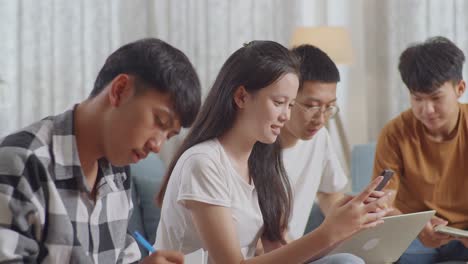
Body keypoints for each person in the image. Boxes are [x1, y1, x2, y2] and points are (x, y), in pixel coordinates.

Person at [155, 40, 392, 264]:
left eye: (290, 105)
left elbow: (279, 251)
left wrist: (349, 226)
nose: (286, 116)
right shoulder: (204, 162)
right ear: (241, 97)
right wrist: (328, 233)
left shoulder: (261, 162)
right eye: (279, 103)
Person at [0, 38, 201, 264]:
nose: (157, 145)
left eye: (169, 136)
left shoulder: (118, 171)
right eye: (159, 121)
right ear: (119, 90)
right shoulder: (21, 163)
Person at [372, 36, 468, 263]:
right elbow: (382, 203)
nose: (427, 110)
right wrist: (413, 226)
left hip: (464, 235)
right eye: (417, 99)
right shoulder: (394, 133)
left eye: (436, 98)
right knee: (384, 255)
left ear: (459, 88)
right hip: (412, 235)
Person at [279, 44, 348, 240]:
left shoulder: (319, 137)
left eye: (329, 107)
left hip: (295, 250)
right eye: (311, 106)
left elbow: (329, 192)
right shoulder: (254, 144)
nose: (321, 119)